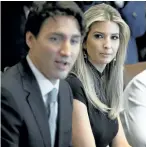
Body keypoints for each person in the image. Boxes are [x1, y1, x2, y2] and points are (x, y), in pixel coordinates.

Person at [1, 2, 84, 147]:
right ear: (30, 39)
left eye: (74, 41)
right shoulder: (6, 94)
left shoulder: (65, 89)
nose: (67, 51)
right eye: (55, 39)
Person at [66, 3, 131, 147]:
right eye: (99, 36)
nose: (108, 45)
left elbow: (121, 144)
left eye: (114, 37)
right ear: (83, 42)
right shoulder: (73, 84)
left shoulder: (109, 81)